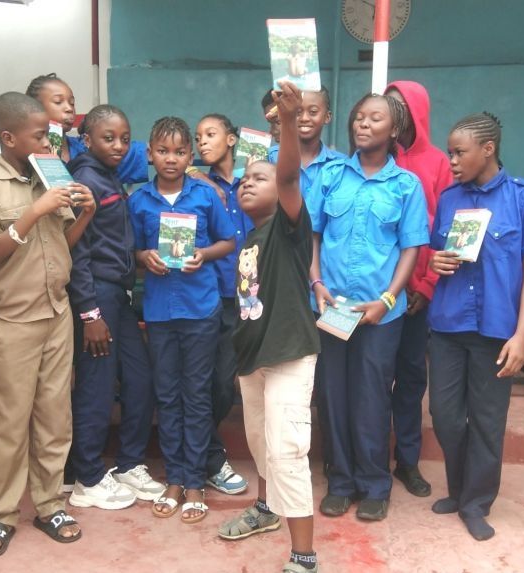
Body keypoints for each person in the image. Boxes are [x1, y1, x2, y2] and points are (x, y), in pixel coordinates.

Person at [0, 92, 95, 555]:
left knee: (54, 417)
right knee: (7, 421)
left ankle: (49, 504)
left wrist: (87, 213)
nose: (48, 143)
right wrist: (34, 211)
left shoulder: (51, 174)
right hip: (12, 319)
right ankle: (2, 513)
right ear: (8, 137)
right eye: (40, 136)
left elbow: (63, 242)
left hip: (56, 313)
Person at [427, 112, 524, 541]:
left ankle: (475, 502)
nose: (452, 161)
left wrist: (522, 336)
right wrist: (436, 261)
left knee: (486, 420)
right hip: (448, 325)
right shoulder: (449, 199)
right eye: (449, 153)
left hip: (497, 332)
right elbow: (438, 252)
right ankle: (460, 487)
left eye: (459, 153)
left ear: (488, 149)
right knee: (444, 415)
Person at [217, 81, 322, 573]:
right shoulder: (252, 240)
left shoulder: (288, 228)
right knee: (261, 445)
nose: (247, 183)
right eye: (243, 179)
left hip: (288, 355)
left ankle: (304, 556)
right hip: (253, 359)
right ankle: (265, 509)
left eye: (259, 177)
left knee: (286, 451)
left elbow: (289, 175)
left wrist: (288, 120)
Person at [309, 93, 429, 522]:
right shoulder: (331, 176)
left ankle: (375, 484)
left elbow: (411, 248)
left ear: (394, 129)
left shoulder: (406, 185)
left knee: (372, 398)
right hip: (333, 308)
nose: (362, 124)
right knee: (333, 395)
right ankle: (341, 482)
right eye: (358, 117)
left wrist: (387, 300)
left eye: (375, 118)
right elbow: (313, 236)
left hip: (380, 313)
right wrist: (317, 284)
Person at [128, 116, 236, 523]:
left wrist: (203, 255)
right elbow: (133, 251)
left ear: (190, 155)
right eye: (162, 151)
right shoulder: (139, 200)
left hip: (200, 309)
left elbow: (228, 241)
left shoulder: (204, 195)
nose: (170, 159)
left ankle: (194, 481)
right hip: (159, 312)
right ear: (149, 154)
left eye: (179, 152)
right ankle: (173, 478)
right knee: (167, 394)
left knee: (197, 394)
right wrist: (144, 257)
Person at [65, 104, 164, 510]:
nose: (119, 146)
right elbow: (76, 253)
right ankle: (87, 476)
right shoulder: (84, 182)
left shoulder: (109, 176)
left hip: (119, 296)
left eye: (124, 138)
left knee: (140, 379)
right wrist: (90, 313)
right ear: (87, 140)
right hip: (97, 297)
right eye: (109, 138)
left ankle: (128, 463)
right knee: (97, 385)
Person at [383, 81, 453, 497]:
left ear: (415, 113)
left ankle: (407, 461)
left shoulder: (438, 162)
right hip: (380, 293)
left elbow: (444, 228)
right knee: (374, 378)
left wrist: (425, 286)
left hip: (418, 296)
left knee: (410, 379)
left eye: (399, 107)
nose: (391, 115)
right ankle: (370, 458)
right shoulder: (377, 157)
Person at [193, 113, 253, 495]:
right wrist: (192, 174)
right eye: (198, 136)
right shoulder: (197, 184)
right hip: (212, 295)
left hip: (251, 294)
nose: (202, 142)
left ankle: (202, 454)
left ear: (232, 139)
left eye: (211, 134)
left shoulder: (255, 179)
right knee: (213, 382)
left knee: (234, 383)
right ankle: (208, 458)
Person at [26, 73, 148, 184]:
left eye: (72, 103)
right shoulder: (26, 153)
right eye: (58, 102)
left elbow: (147, 152)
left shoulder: (87, 147)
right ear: (35, 108)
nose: (69, 108)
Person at [268, 87, 344, 197]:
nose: (304, 118)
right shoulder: (269, 158)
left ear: (327, 117)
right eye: (298, 112)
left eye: (313, 112)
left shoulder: (341, 164)